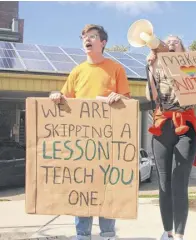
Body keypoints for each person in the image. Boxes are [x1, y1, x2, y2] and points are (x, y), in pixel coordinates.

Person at [50, 24, 131, 240]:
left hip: (107, 144)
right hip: (81, 146)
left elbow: (127, 102)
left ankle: (107, 234)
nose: (87, 39)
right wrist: (57, 97)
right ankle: (82, 236)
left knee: (106, 189)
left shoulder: (116, 69)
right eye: (84, 37)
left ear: (103, 43)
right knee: (82, 189)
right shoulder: (77, 71)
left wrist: (119, 98)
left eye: (93, 36)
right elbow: (66, 100)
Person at [145, 35, 196, 240]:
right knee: (164, 183)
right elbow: (151, 96)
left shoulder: (192, 68)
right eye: (167, 41)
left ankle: (179, 234)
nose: (170, 43)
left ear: (183, 48)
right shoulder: (158, 68)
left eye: (175, 41)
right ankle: (167, 231)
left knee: (179, 183)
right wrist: (151, 68)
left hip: (184, 127)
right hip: (162, 128)